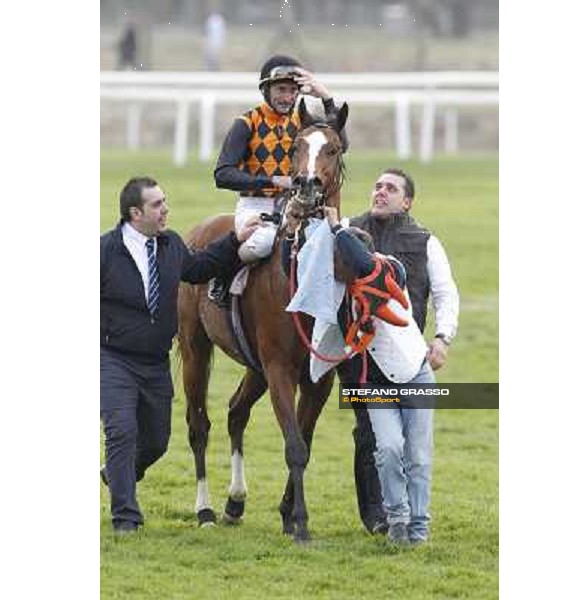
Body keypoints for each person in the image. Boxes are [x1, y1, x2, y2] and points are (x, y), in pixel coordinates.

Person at [100, 176, 261, 534]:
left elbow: (200, 268)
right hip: (113, 359)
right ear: (135, 212)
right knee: (122, 432)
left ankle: (117, 471)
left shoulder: (170, 244)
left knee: (155, 441)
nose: (165, 209)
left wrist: (236, 239)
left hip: (155, 363)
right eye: (157, 205)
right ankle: (126, 518)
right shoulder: (104, 252)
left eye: (165, 201)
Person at [344, 168, 459, 542]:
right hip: (363, 362)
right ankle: (381, 517)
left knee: (415, 452)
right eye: (376, 186)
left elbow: (446, 293)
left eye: (390, 188)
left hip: (412, 362)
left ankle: (415, 525)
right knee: (377, 442)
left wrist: (442, 338)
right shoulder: (349, 230)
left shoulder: (425, 240)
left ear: (406, 201)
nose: (380, 192)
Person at [210, 54, 346, 303]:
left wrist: (326, 97)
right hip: (256, 205)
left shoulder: (304, 123)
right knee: (263, 243)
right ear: (266, 89)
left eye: (293, 91)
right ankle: (223, 274)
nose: (287, 97)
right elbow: (222, 174)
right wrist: (271, 181)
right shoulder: (246, 123)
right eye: (281, 90)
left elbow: (339, 143)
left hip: (296, 204)